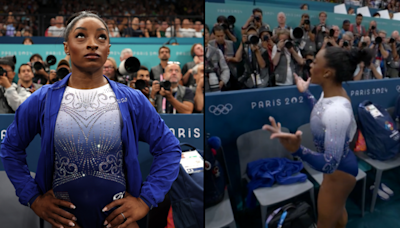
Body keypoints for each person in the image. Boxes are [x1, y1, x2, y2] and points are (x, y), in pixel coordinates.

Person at [0, 11, 181, 228]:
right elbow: (10, 148)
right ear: (66, 46)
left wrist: (145, 200)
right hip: (63, 223)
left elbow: (169, 149)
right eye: (81, 36)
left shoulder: (131, 99)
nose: (93, 44)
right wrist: (33, 198)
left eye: (101, 37)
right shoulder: (43, 99)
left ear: (108, 48)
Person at [262, 46, 374, 228]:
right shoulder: (331, 92)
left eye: (314, 62)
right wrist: (305, 92)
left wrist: (298, 150)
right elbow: (321, 110)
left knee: (324, 223)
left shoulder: (337, 112)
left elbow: (329, 164)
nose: (310, 66)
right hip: (338, 169)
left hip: (339, 173)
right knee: (337, 214)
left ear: (328, 72)